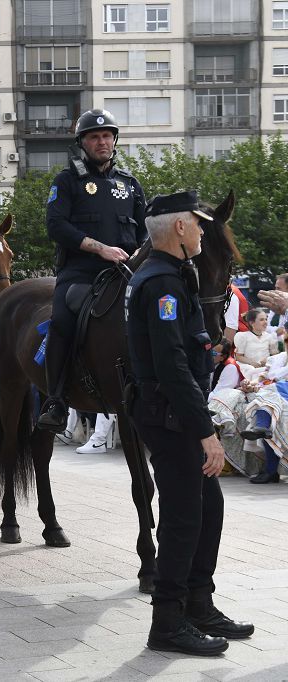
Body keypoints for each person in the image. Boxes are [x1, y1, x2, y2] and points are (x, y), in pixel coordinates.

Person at [126, 190, 252, 656]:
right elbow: (170, 365)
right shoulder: (161, 283)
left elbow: (183, 351)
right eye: (199, 224)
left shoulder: (175, 276)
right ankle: (168, 623)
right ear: (180, 228)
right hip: (172, 416)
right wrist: (206, 434)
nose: (203, 230)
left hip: (177, 410)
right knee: (182, 520)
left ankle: (199, 603)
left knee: (208, 509)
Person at [37, 109, 148, 432]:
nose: (102, 141)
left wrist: (138, 252)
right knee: (61, 322)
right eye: (94, 137)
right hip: (81, 272)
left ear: (114, 140)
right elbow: (56, 226)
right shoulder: (67, 180)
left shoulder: (129, 184)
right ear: (83, 143)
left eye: (106, 136)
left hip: (125, 272)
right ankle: (56, 400)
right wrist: (100, 248)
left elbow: (144, 229)